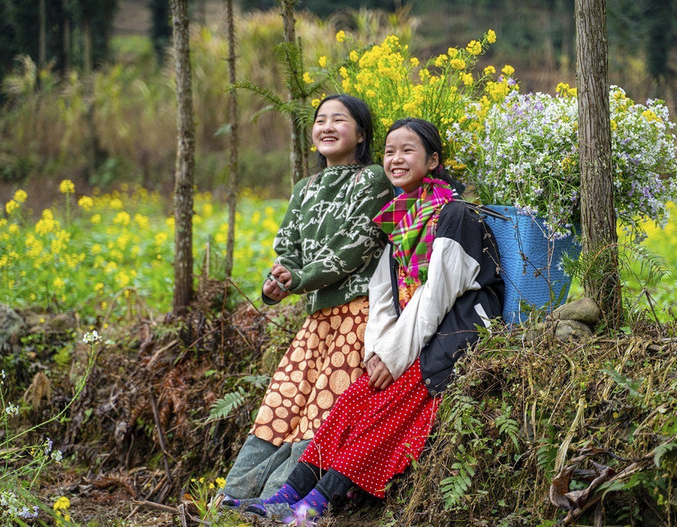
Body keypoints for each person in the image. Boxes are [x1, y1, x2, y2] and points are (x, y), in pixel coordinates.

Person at [239, 118, 504, 524]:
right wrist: (377, 351)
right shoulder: (399, 218)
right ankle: (289, 493)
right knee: (353, 400)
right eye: (389, 151)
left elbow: (436, 295)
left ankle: (314, 508)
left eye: (408, 150)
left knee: (389, 406)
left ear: (433, 160)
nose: (396, 159)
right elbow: (383, 291)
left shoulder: (455, 215)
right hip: (414, 333)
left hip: (457, 328)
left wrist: (394, 356)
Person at [216, 95, 394, 506]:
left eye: (339, 120)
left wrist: (299, 278)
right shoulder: (305, 188)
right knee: (282, 403)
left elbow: (355, 246)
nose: (327, 127)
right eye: (320, 121)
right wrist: (276, 281)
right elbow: (288, 249)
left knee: (322, 409)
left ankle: (290, 497)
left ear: (362, 134)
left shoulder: (371, 180)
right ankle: (237, 495)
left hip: (358, 312)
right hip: (317, 319)